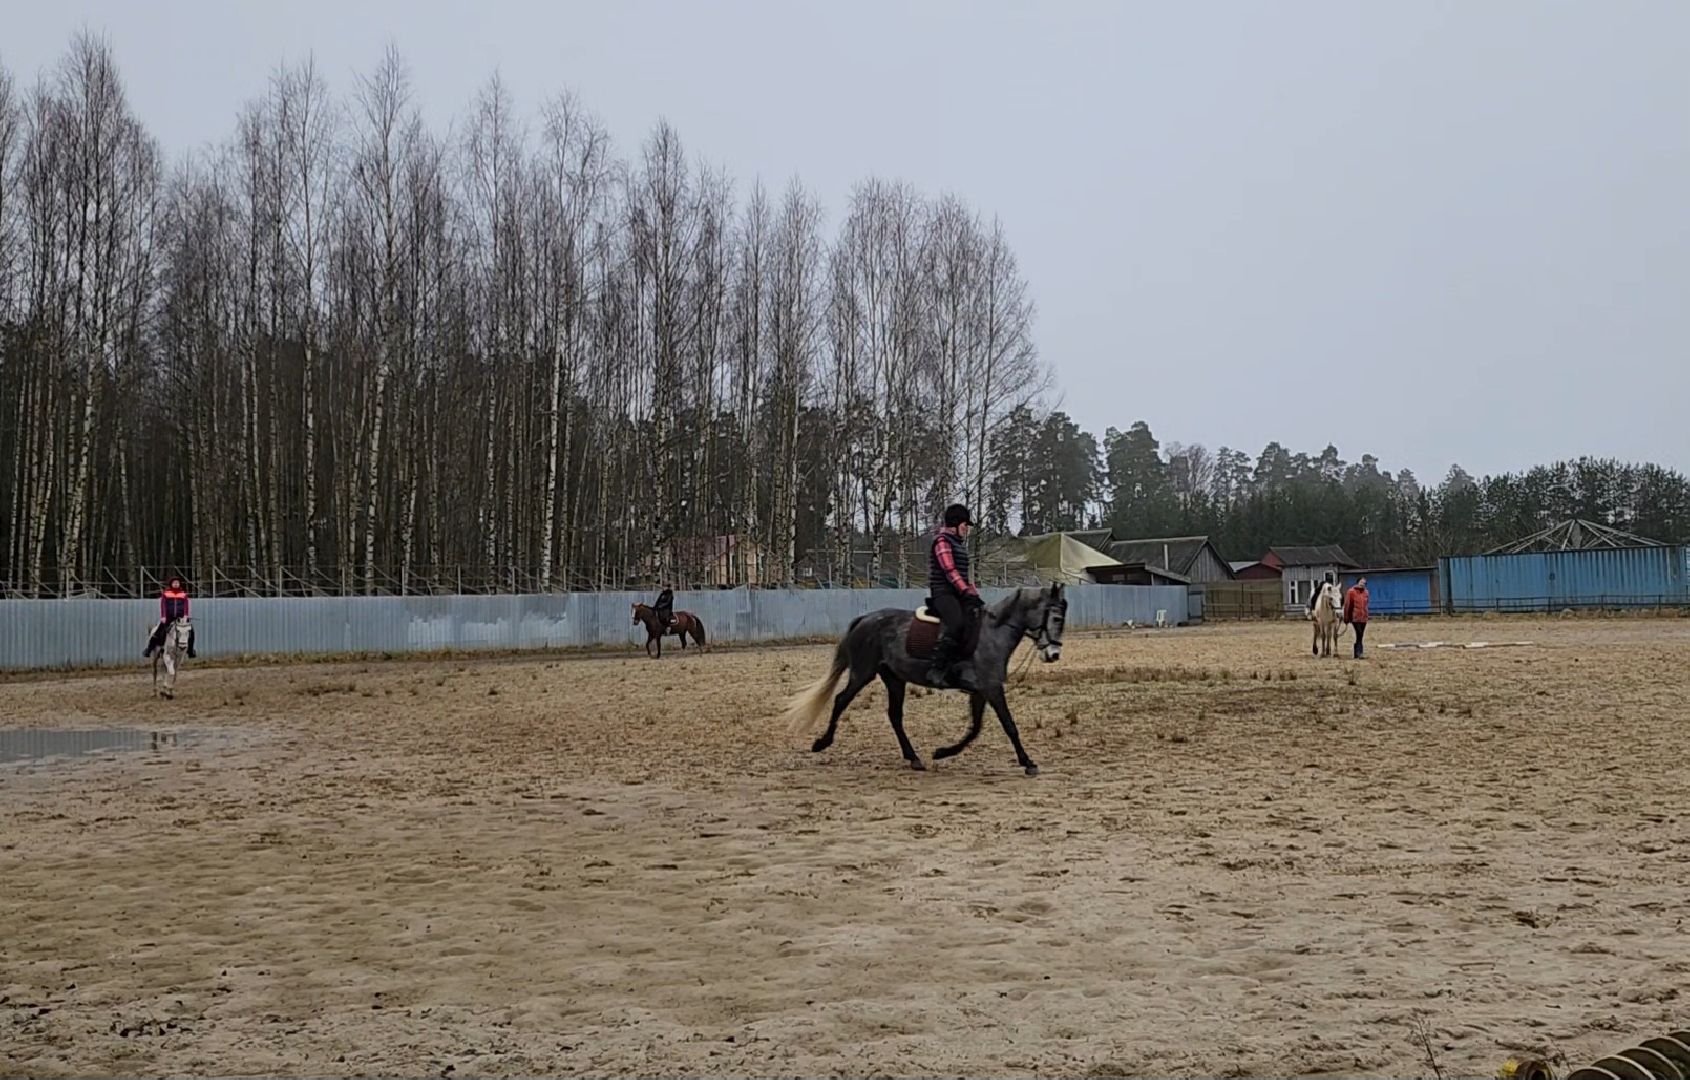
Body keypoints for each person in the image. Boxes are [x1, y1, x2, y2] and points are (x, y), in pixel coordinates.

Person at [925, 503, 984, 690]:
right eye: (965, 525)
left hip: (958, 591)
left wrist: (973, 592)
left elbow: (964, 573)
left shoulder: (958, 545)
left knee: (977, 619)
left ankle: (965, 667)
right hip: (943, 592)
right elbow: (950, 571)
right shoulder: (942, 542)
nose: (967, 529)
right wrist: (965, 591)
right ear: (956, 524)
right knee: (957, 623)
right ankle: (936, 669)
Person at [144, 576, 196, 659]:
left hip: (181, 618)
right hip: (168, 617)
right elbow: (163, 605)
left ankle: (190, 651)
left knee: (191, 631)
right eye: (174, 583)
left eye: (177, 583)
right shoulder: (166, 594)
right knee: (158, 631)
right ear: (171, 584)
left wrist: (186, 615)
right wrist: (163, 616)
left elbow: (186, 606)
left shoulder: (183, 594)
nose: (176, 584)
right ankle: (149, 649)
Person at [1343, 576, 1370, 659]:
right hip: (1355, 617)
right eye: (1361, 582)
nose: (1363, 584)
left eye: (1364, 583)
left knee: (1360, 635)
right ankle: (1360, 652)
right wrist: (1346, 617)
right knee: (1359, 634)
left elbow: (1366, 604)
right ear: (1357, 582)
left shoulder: (1366, 592)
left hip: (1364, 617)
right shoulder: (1351, 592)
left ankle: (1356, 653)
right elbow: (1347, 605)